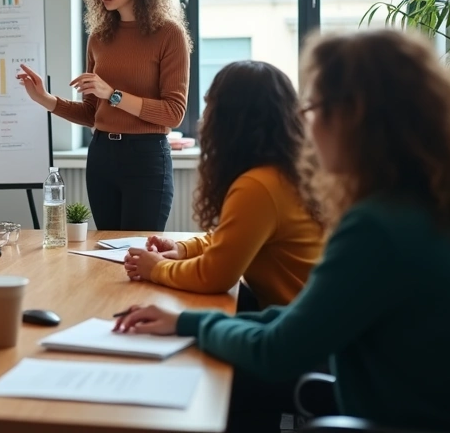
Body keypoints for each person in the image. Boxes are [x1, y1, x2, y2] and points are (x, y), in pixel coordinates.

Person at [114, 29, 450, 433]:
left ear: (354, 118)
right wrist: (188, 321)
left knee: (203, 385)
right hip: (440, 407)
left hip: (411, 417)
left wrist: (190, 324)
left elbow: (278, 352)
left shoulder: (379, 226)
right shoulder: (433, 207)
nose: (305, 125)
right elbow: (305, 316)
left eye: (312, 108)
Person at [17, 0, 190, 231]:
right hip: (101, 157)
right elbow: (91, 113)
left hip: (146, 158)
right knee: (105, 255)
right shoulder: (99, 37)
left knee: (135, 253)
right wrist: (45, 100)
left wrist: (113, 94)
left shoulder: (169, 34)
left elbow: (173, 113)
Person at [123, 60, 325, 310]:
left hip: (294, 331)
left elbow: (213, 276)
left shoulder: (259, 186)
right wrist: (183, 249)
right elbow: (234, 239)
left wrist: (156, 268)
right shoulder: (287, 172)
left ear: (230, 120)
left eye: (210, 106)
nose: (203, 117)